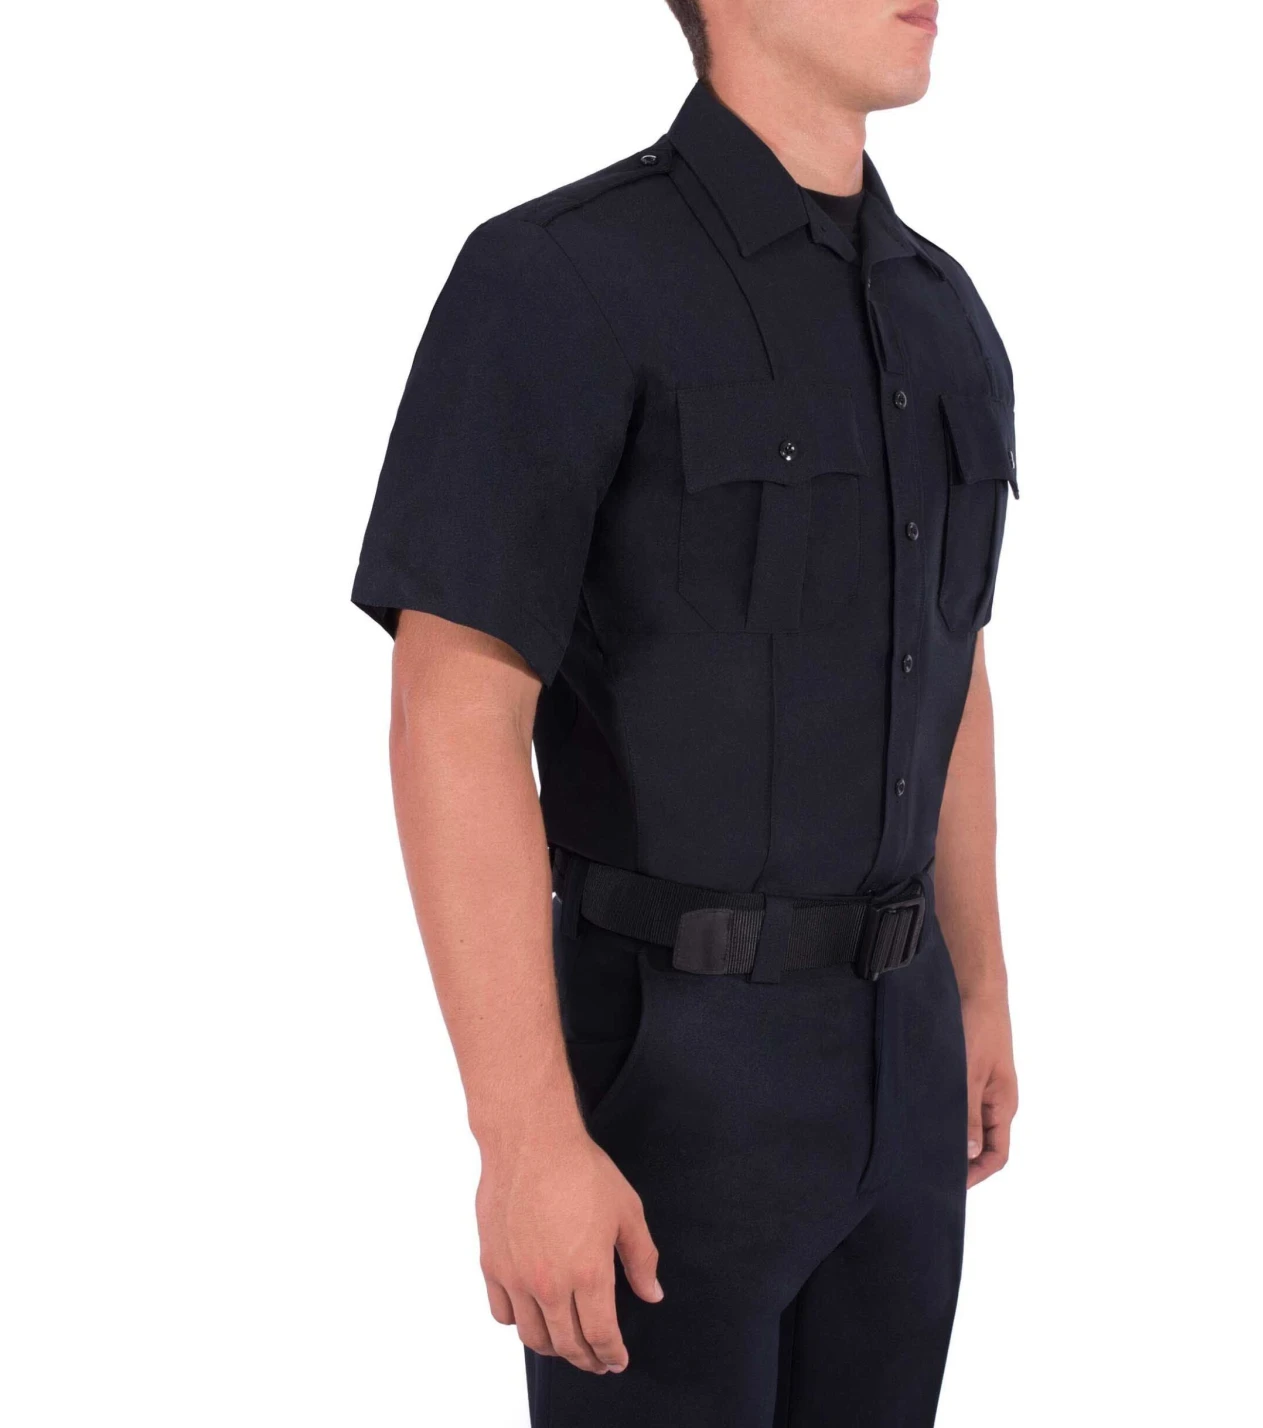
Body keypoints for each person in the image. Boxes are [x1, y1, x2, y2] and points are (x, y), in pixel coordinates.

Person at [351, 1, 1019, 1422]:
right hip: (672, 1074)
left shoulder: (941, 311)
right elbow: (454, 708)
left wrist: (979, 989)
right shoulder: (556, 279)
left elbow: (952, 666)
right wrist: (524, 1139)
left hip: (905, 1068)